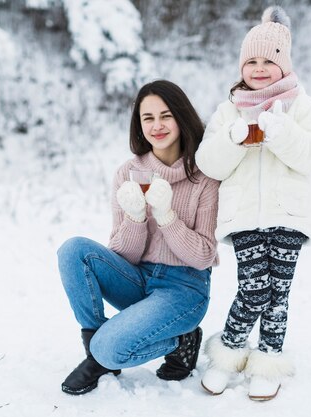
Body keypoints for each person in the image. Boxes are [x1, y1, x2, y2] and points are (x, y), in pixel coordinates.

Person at [195, 6, 311, 401]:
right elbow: (209, 164)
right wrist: (234, 137)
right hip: (243, 218)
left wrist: (281, 129)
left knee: (278, 294)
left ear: (283, 65)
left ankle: (269, 360)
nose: (258, 68)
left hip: (288, 214)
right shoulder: (229, 109)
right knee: (254, 289)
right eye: (250, 60)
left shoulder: (301, 106)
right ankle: (229, 353)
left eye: (268, 61)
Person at [57, 80, 220, 395]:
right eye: (148, 118)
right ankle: (97, 348)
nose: (157, 126)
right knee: (73, 250)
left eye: (165, 116)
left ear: (181, 117)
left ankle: (180, 338)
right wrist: (135, 217)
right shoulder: (128, 173)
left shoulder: (204, 176)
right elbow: (122, 255)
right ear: (139, 124)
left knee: (111, 347)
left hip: (184, 288)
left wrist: (166, 215)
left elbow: (202, 255)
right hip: (138, 277)